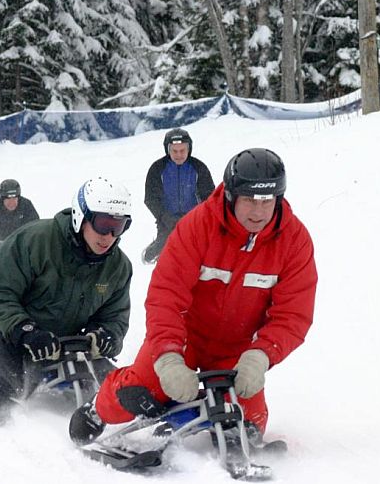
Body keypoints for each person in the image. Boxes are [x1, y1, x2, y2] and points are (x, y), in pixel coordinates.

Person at [69, 148, 317, 447]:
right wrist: (169, 357)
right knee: (141, 389)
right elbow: (165, 296)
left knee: (248, 422)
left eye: (267, 200)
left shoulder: (294, 240)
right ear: (231, 195)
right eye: (250, 199)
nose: (259, 211)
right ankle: (99, 408)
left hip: (236, 349)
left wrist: (261, 356)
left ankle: (185, 415)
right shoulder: (197, 227)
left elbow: (293, 314)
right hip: (183, 337)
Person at [0, 177, 135, 416]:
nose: (109, 235)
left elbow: (114, 316)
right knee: (2, 399)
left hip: (66, 342)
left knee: (115, 392)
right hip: (10, 332)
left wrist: (107, 336)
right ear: (80, 216)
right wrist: (26, 331)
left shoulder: (118, 266)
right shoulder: (35, 241)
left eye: (119, 226)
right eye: (103, 225)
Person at [142, 128, 215, 264]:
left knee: (201, 256)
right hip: (166, 220)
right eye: (174, 151)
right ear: (167, 150)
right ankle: (156, 247)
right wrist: (165, 217)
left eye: (182, 151)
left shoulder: (199, 168)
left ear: (189, 149)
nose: (179, 155)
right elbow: (150, 198)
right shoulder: (157, 169)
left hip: (194, 220)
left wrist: (199, 217)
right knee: (159, 257)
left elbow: (210, 197)